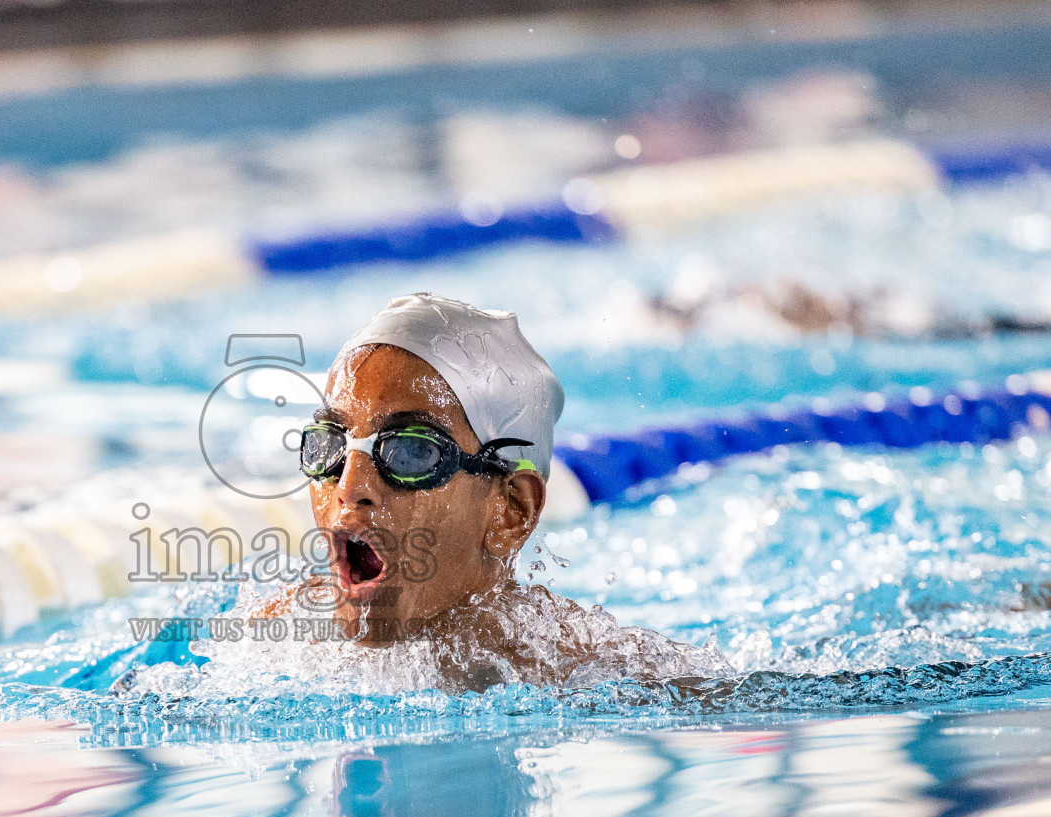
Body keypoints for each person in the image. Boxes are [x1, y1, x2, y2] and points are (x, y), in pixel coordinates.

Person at [251, 293, 720, 690]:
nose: (350, 488)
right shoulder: (279, 637)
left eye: (411, 453)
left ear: (511, 510)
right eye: (330, 445)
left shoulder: (576, 671)